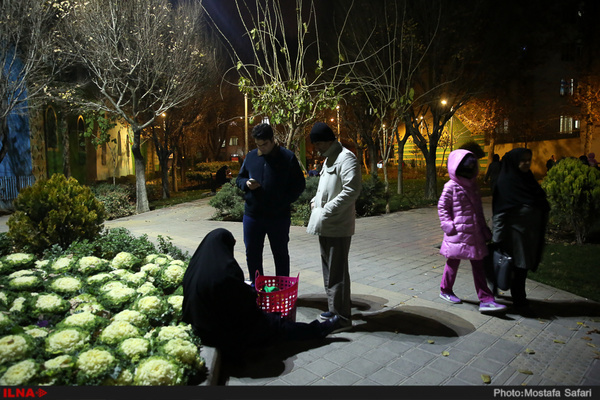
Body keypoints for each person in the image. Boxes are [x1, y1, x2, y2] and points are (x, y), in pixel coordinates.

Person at [181, 228, 337, 358]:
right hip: (223, 333)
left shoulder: (194, 269)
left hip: (200, 328)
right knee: (276, 324)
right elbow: (244, 305)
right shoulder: (225, 271)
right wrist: (252, 292)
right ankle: (318, 330)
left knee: (270, 319)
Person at [306, 122, 362, 332]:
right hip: (325, 221)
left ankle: (342, 317)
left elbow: (351, 190)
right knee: (329, 268)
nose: (316, 147)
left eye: (318, 142)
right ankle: (333, 308)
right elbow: (324, 188)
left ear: (328, 140)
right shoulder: (330, 158)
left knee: (337, 271)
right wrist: (315, 202)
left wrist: (327, 209)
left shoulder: (345, 158)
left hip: (337, 224)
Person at [437, 149, 507, 314]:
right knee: (453, 263)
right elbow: (442, 207)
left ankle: (486, 299)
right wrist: (448, 225)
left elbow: (478, 210)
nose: (468, 171)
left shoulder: (473, 186)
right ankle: (445, 290)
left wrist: (483, 229)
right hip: (457, 233)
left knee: (478, 265)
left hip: (474, 233)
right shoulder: (451, 186)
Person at [236, 124, 306, 284]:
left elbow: (299, 184)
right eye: (258, 145)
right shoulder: (252, 156)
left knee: (280, 253)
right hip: (253, 215)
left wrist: (283, 201)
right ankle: (256, 287)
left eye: (264, 144)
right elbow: (239, 178)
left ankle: (282, 289)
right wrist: (246, 183)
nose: (261, 148)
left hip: (278, 217)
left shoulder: (287, 157)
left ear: (273, 140)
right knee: (252, 253)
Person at [492, 148, 549, 314]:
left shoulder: (526, 178)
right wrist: (497, 239)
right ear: (513, 161)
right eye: (522, 160)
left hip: (529, 234)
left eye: (528, 159)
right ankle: (519, 300)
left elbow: (539, 198)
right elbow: (500, 212)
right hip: (514, 235)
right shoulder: (506, 182)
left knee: (519, 266)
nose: (526, 163)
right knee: (519, 267)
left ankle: (501, 291)